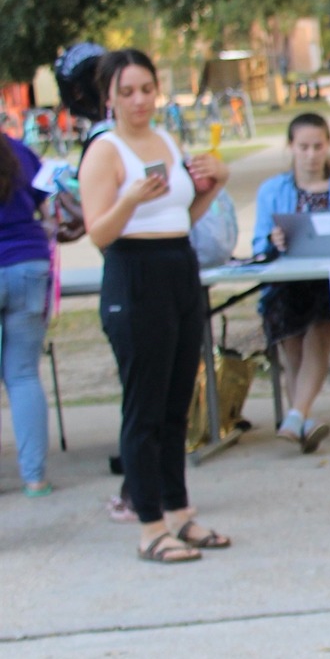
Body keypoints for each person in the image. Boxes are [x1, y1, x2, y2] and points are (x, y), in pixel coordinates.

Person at [78, 49, 232, 562]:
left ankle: (179, 512)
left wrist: (217, 183)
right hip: (133, 274)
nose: (139, 100)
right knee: (144, 407)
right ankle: (149, 525)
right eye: (127, 92)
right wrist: (131, 198)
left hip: (178, 266)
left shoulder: (166, 139)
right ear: (109, 97)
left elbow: (182, 216)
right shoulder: (104, 150)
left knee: (176, 402)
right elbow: (98, 232)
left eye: (146, 89)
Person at [251, 113, 330, 452]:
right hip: (286, 285)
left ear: (328, 146)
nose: (311, 155)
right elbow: (258, 246)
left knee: (320, 330)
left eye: (317, 146)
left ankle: (295, 415)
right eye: (303, 147)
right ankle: (303, 422)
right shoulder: (272, 191)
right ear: (290, 147)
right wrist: (273, 241)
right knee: (290, 340)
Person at [0, 129, 54, 497]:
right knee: (23, 376)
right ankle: (35, 478)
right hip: (28, 263)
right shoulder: (19, 150)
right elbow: (49, 210)